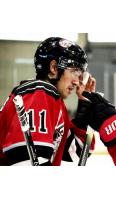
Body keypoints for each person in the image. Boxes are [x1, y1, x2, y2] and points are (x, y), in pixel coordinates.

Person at [0, 37, 96, 166]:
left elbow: (79, 152)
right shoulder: (39, 91)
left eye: (80, 74)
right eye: (74, 71)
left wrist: (86, 105)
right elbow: (27, 162)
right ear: (54, 68)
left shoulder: (56, 104)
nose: (77, 81)